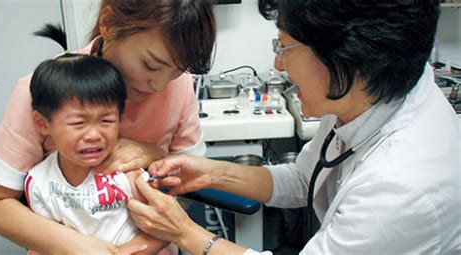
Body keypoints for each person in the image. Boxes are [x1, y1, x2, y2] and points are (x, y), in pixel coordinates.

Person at [126, 0, 460, 254]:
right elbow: (303, 179)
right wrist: (210, 173)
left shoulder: (403, 188)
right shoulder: (365, 93)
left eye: (284, 46)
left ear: (347, 57)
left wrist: (186, 233)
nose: (278, 64)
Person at [0, 0, 216, 254]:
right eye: (151, 65)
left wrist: (154, 153)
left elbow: (191, 179)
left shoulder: (178, 86)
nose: (160, 85)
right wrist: (77, 246)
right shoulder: (41, 93)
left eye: (177, 70)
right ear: (107, 24)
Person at [24, 31, 177, 254]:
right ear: (43, 123)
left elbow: (164, 230)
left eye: (106, 120)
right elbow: (44, 242)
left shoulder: (127, 174)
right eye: (78, 123)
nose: (94, 135)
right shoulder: (39, 183)